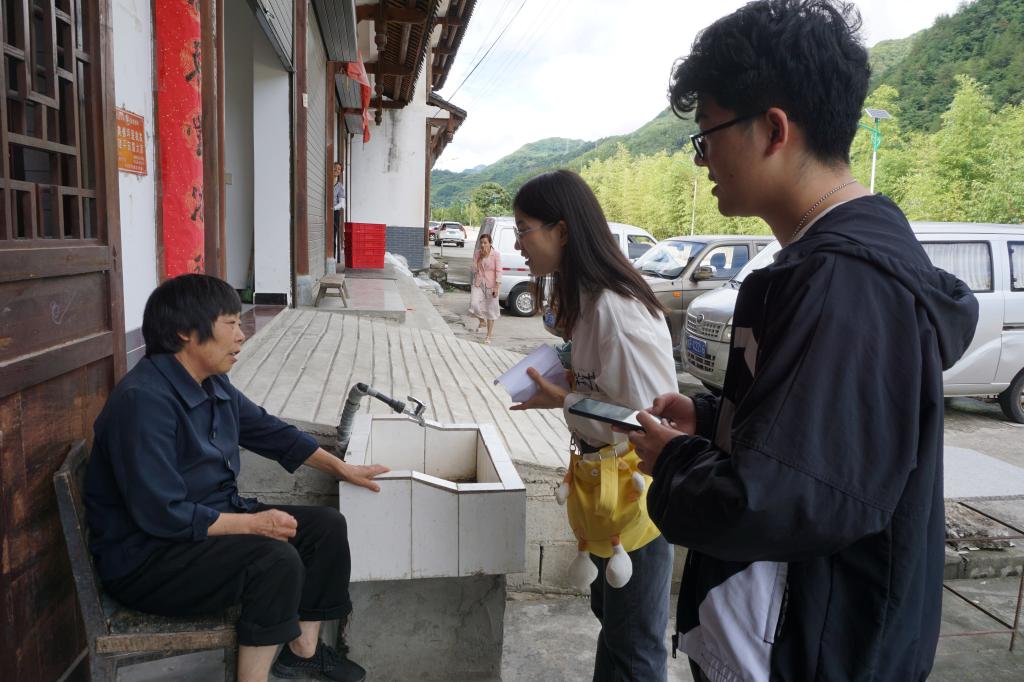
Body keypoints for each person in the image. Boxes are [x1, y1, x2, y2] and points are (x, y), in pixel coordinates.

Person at [621, 2, 979, 680]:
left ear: (773, 130)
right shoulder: (830, 264)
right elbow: (823, 445)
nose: (701, 159)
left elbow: (783, 501)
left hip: (804, 653)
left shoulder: (843, 282)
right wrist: (715, 420)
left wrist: (674, 463)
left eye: (706, 135)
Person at [85, 274, 387, 682]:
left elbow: (269, 431)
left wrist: (342, 467)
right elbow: (163, 514)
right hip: (149, 561)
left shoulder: (212, 384)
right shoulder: (143, 402)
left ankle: (303, 653)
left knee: (325, 527)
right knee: (274, 559)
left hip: (204, 531)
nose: (241, 335)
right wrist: (253, 525)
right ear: (185, 332)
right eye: (230, 323)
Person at [509, 170, 677, 681]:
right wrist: (564, 390)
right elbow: (605, 389)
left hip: (638, 497)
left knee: (635, 644)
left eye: (523, 230)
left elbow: (648, 419)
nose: (517, 245)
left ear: (561, 230)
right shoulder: (587, 301)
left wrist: (565, 400)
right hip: (607, 491)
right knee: (615, 622)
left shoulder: (615, 309)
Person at [468, 232, 501, 344]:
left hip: (491, 285)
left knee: (491, 310)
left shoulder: (496, 255)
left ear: (490, 243)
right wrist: (479, 259)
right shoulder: (477, 253)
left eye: (485, 242)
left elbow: (499, 271)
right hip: (478, 283)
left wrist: (497, 287)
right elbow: (473, 270)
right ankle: (482, 321)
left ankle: (488, 336)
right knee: (473, 304)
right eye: (481, 243)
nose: (482, 245)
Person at [333, 162, 345, 260]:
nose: (336, 170)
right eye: (335, 167)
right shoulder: (326, 181)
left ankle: (332, 257)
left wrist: (333, 208)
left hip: (334, 213)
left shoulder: (340, 186)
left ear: (340, 172)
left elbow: (342, 204)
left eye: (339, 169)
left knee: (333, 236)